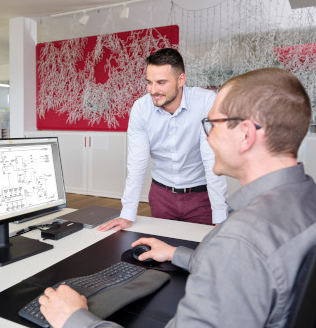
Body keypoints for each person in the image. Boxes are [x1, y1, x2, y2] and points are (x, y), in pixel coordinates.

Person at [39, 67, 316, 328]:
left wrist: (75, 319)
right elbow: (246, 269)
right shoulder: (304, 200)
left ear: (245, 135)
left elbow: (238, 257)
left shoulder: (239, 241)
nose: (208, 138)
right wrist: (176, 254)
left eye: (213, 124)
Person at [99, 48, 228, 231]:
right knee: (161, 250)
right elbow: (136, 163)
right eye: (149, 83)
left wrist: (220, 213)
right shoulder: (140, 109)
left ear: (181, 80)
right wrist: (127, 213)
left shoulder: (206, 102)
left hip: (201, 196)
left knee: (202, 251)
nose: (153, 90)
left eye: (161, 82)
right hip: (161, 196)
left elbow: (211, 159)